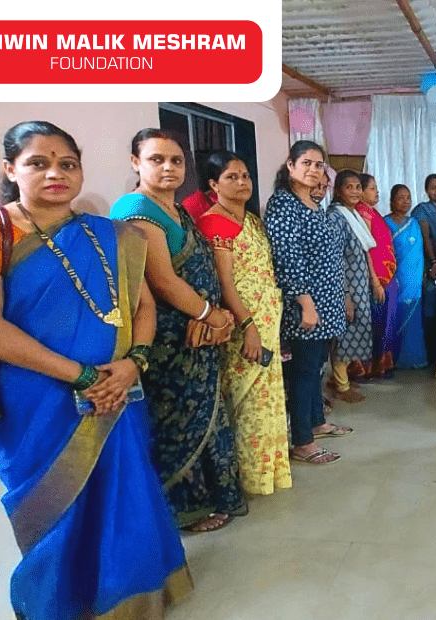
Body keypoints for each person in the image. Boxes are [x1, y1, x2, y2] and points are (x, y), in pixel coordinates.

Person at [0, 121, 190, 618]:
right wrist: (82, 376)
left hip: (119, 390)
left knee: (126, 495)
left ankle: (133, 597)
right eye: (38, 162)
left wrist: (132, 363)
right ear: (10, 169)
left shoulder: (110, 235)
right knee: (55, 509)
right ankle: (61, 603)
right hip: (38, 399)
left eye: (67, 164)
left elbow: (143, 307)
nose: (55, 173)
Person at [110, 128, 246, 532]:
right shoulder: (136, 209)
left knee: (206, 414)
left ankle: (212, 496)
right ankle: (180, 510)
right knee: (175, 420)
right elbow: (163, 282)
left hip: (198, 329)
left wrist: (215, 318)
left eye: (176, 160)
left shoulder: (176, 210)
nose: (168, 167)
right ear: (136, 163)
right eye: (156, 159)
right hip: (169, 336)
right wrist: (212, 315)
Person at [195, 151, 292, 496]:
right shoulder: (214, 222)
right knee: (248, 402)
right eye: (231, 177)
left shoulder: (251, 220)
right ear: (213, 185)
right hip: (243, 326)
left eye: (246, 176)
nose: (242, 182)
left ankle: (269, 473)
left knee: (269, 401)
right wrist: (248, 325)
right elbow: (225, 283)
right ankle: (248, 478)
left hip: (269, 320)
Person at [264, 141, 352, 465]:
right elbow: (287, 258)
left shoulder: (314, 203)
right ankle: (302, 440)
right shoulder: (284, 205)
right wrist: (306, 303)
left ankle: (318, 421)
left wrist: (340, 294)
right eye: (307, 163)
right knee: (302, 371)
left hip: (326, 300)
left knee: (315, 367)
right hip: (305, 303)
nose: (314, 170)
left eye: (319, 165)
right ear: (290, 166)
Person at [326, 170, 375, 404]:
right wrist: (344, 295)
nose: (355, 191)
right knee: (345, 336)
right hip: (346, 287)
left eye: (358, 187)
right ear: (337, 191)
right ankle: (341, 386)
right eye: (349, 187)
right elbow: (335, 258)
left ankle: (340, 379)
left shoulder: (352, 214)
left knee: (355, 331)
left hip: (358, 285)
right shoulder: (336, 217)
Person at [350, 172, 398, 379]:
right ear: (360, 191)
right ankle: (367, 367)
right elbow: (366, 250)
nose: (376, 191)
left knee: (385, 320)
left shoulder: (372, 212)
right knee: (374, 322)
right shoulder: (363, 214)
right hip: (375, 279)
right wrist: (375, 281)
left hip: (386, 277)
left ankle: (381, 364)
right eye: (372, 188)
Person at [384, 184, 429, 368]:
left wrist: (424, 271)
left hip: (414, 278)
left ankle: (414, 359)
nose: (405, 201)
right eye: (401, 197)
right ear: (392, 201)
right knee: (394, 315)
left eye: (408, 197)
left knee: (414, 318)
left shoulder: (414, 223)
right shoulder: (385, 223)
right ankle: (392, 359)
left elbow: (419, 251)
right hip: (394, 278)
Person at [412, 173, 436, 367]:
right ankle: (429, 354)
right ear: (427, 190)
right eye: (434, 187)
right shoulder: (422, 210)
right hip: (432, 264)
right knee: (431, 308)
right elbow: (425, 237)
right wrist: (434, 261)